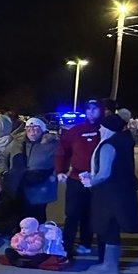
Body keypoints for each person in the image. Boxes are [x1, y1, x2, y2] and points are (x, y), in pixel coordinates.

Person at [81, 112, 138, 274]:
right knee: (113, 227)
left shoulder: (109, 145)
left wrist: (90, 181)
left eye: (102, 127)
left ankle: (109, 266)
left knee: (108, 227)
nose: (99, 129)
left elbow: (104, 173)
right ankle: (110, 264)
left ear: (108, 128)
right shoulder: (124, 141)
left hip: (109, 194)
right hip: (122, 191)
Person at [54, 98, 104, 261]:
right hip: (76, 179)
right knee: (73, 214)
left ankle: (86, 244)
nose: (91, 112)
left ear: (100, 111)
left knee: (90, 214)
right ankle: (67, 247)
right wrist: (60, 170)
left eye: (94, 109)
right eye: (88, 109)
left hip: (97, 181)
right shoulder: (75, 131)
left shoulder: (104, 130)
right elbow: (62, 151)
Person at [3, 116, 59, 222]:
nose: (32, 131)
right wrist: (4, 171)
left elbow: (61, 162)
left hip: (41, 185)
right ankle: (20, 236)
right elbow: (4, 157)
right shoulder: (18, 143)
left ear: (42, 129)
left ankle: (36, 237)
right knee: (19, 213)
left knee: (37, 215)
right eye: (29, 129)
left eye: (35, 128)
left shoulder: (52, 145)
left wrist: (54, 176)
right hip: (20, 183)